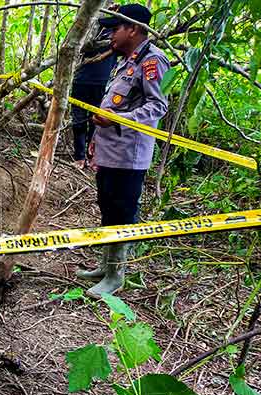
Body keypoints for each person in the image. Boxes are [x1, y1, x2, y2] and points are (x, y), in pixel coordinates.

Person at [77, 3, 170, 298]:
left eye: (115, 28)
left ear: (133, 29)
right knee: (107, 207)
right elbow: (115, 101)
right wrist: (96, 137)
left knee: (122, 212)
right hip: (110, 149)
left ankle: (117, 274)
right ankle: (106, 265)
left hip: (130, 155)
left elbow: (158, 106)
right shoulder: (126, 61)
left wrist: (118, 120)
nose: (110, 36)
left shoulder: (153, 61)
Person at [71, 25, 116, 168]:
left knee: (96, 122)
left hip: (101, 85)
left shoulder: (117, 33)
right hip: (80, 82)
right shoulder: (90, 29)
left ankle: (92, 157)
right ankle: (79, 157)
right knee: (78, 121)